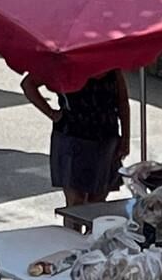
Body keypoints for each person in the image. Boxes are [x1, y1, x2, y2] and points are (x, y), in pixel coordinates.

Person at [20, 69, 130, 208]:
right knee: (75, 201)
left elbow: (122, 102)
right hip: (72, 137)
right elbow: (28, 84)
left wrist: (125, 138)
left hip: (105, 138)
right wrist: (51, 113)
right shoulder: (64, 64)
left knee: (98, 200)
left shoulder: (111, 66)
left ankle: (92, 223)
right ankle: (74, 223)